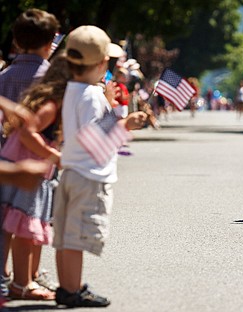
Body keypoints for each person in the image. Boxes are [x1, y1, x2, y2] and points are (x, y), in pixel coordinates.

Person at [52, 25, 147, 308]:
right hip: (88, 175)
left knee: (65, 236)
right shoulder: (92, 96)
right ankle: (72, 290)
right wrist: (127, 124)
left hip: (70, 171)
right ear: (102, 63)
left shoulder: (72, 89)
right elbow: (96, 140)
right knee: (77, 238)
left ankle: (65, 286)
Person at [0, 53, 70, 300]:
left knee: (25, 228)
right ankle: (21, 283)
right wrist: (52, 153)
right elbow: (28, 131)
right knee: (23, 228)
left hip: (27, 168)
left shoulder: (52, 103)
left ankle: (24, 279)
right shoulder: (50, 105)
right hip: (24, 168)